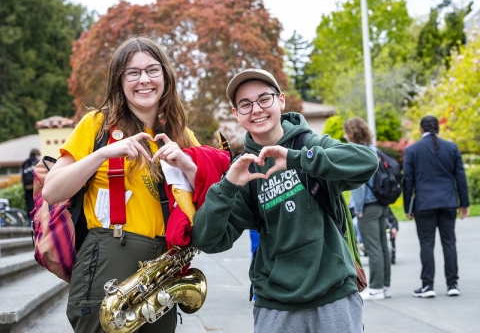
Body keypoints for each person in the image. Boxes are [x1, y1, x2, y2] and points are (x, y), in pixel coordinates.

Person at [42, 36, 219, 333]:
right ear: (119, 82)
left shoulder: (182, 135)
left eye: (152, 70)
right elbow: (52, 190)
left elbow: (210, 205)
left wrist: (189, 165)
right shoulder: (96, 124)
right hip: (106, 262)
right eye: (132, 73)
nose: (144, 80)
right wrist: (103, 154)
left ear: (166, 76)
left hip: (161, 268)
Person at [191, 69, 378, 333]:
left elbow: (367, 162)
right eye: (245, 104)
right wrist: (227, 186)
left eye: (264, 99)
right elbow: (208, 240)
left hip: (334, 295)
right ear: (236, 114)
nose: (256, 109)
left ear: (281, 100)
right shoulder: (244, 170)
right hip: (275, 305)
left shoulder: (308, 144)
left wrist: (297, 158)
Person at [403, 115, 469, 298]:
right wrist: (464, 204)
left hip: (424, 204)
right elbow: (460, 178)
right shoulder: (451, 148)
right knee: (449, 243)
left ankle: (428, 285)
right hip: (448, 203)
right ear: (438, 129)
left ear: (421, 129)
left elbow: (408, 180)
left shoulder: (413, 150)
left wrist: (408, 206)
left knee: (426, 244)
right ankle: (452, 284)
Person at [343, 117, 391, 301]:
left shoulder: (358, 152)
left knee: (373, 247)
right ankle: (385, 286)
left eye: (347, 132)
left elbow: (360, 184)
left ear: (352, 132)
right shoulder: (374, 150)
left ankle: (377, 287)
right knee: (383, 246)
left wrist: (359, 208)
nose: (345, 136)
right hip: (381, 204)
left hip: (367, 206)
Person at [22, 148, 41, 213]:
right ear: (36, 154)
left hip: (27, 186)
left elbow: (23, 176)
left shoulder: (25, 162)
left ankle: (29, 220)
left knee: (29, 205)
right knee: (38, 204)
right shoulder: (38, 161)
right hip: (35, 185)